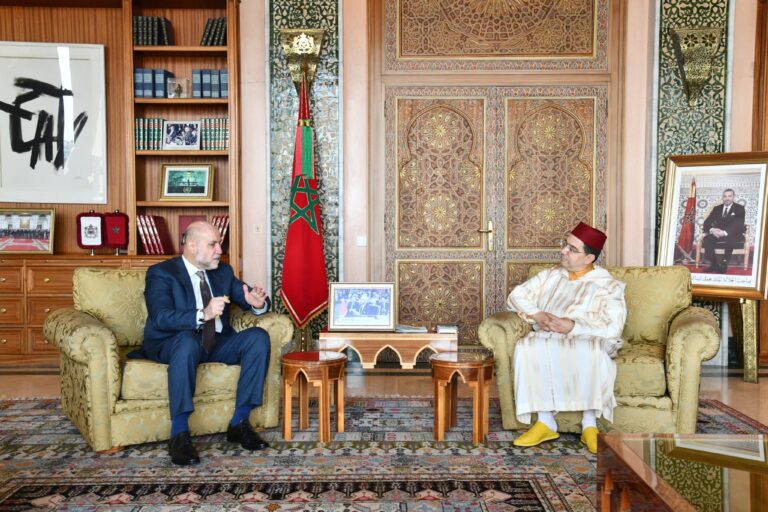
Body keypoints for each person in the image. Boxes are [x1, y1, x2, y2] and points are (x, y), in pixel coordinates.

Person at [140, 220, 272, 466]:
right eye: (213, 244)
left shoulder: (222, 271)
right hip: (174, 343)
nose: (220, 250)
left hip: (216, 342)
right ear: (192, 245)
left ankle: (239, 423)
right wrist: (204, 314)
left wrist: (257, 303)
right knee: (188, 341)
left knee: (258, 337)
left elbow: (247, 296)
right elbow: (160, 317)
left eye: (219, 244)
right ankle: (179, 434)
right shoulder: (162, 273)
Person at [505, 222, 626, 454]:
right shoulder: (551, 275)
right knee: (527, 346)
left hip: (587, 337)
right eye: (565, 245)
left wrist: (573, 326)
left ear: (589, 258)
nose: (563, 251)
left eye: (571, 249)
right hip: (550, 335)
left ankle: (589, 425)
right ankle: (545, 422)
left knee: (590, 350)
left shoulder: (608, 286)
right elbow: (516, 295)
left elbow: (613, 326)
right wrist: (537, 314)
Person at [701, 189, 746, 273]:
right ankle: (714, 264)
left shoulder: (739, 208)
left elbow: (738, 224)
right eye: (725, 196)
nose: (727, 198)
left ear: (733, 197)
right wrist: (712, 230)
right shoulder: (717, 208)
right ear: (722, 197)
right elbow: (707, 221)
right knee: (708, 239)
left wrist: (724, 232)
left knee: (730, 238)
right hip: (717, 232)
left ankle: (724, 264)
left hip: (732, 233)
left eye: (729, 196)